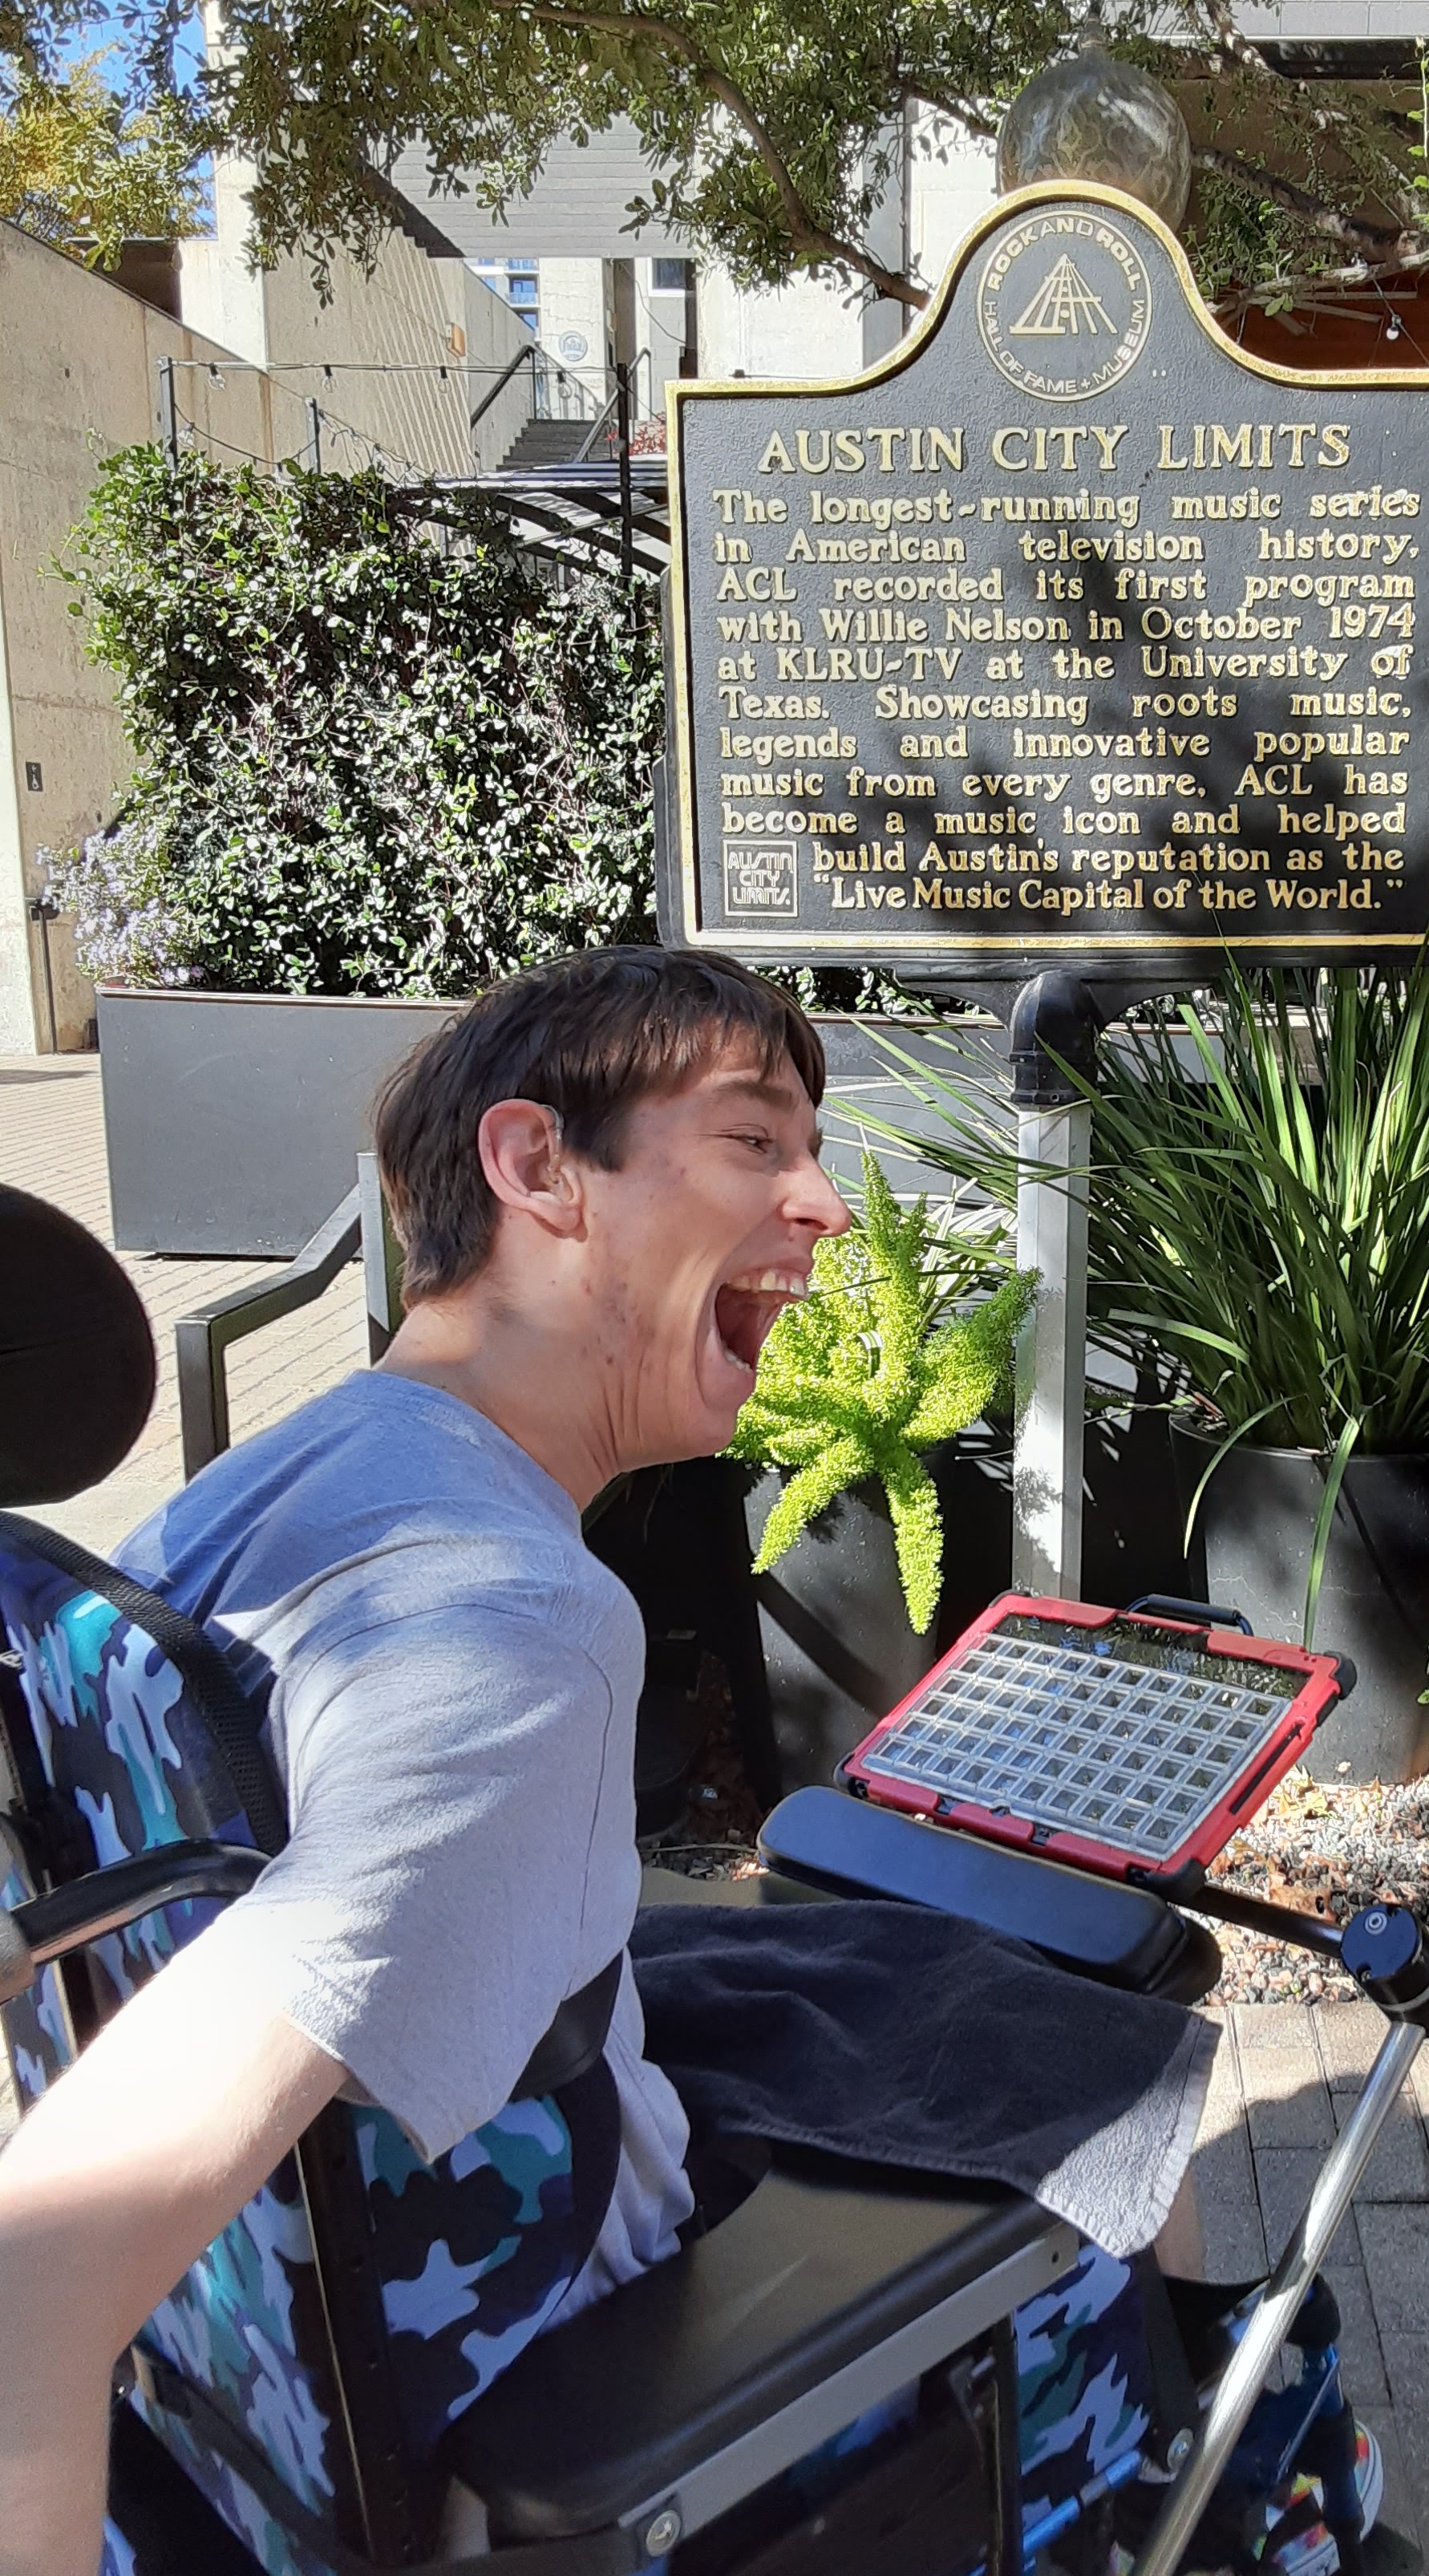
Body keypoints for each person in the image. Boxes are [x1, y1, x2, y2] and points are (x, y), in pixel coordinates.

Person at [0, 947, 1213, 2576]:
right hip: (611, 2391)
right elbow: (37, 2280)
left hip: (302, 2335)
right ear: (535, 1169)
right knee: (1123, 2063)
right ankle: (1192, 2499)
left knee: (921, 1965)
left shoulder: (270, 1479)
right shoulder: (509, 1636)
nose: (827, 1205)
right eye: (755, 1141)